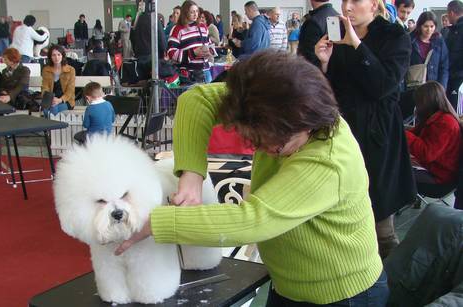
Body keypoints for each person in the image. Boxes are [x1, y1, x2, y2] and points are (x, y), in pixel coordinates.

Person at [114, 50, 388, 306]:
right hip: (288, 284)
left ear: (304, 123)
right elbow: (195, 99)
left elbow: (253, 220)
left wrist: (155, 223)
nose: (266, 151)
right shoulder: (268, 102)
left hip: (343, 294)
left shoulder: (327, 160)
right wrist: (191, 173)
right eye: (255, 141)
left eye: (277, 145)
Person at [315, 0, 416, 257]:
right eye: (344, 1)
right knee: (342, 217)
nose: (347, 7)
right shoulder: (337, 34)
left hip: (377, 136)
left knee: (380, 222)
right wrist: (324, 63)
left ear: (374, 5)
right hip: (343, 133)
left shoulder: (395, 36)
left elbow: (382, 86)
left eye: (355, 1)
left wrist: (357, 45)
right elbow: (328, 92)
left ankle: (392, 287)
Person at [405, 81, 461, 188]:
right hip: (434, 169)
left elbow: (427, 154)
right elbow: (415, 133)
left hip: (439, 177)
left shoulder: (445, 123)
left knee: (394, 173)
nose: (417, 106)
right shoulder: (437, 117)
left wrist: (404, 134)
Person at [167, 0, 216, 84]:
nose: (195, 14)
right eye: (192, 12)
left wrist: (210, 52)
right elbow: (171, 52)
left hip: (205, 71)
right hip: (188, 74)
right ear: (185, 13)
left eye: (197, 11)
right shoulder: (177, 29)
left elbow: (210, 44)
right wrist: (193, 53)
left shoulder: (203, 27)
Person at [410, 11, 449, 89]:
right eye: (426, 26)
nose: (429, 29)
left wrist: (442, 87)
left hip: (433, 88)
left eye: (432, 26)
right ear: (420, 26)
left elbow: (444, 67)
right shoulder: (411, 40)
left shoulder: (439, 41)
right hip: (414, 87)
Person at [298, 0, 339, 67]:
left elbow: (307, 58)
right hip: (334, 72)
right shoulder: (338, 16)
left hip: (315, 73)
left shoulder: (312, 22)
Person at [41, 45, 76, 117]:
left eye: (58, 55)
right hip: (51, 100)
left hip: (66, 100)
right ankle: (52, 127)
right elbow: (45, 87)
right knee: (46, 109)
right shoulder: (46, 70)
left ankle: (49, 128)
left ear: (62, 56)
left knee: (52, 109)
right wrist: (50, 99)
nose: (56, 57)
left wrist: (60, 100)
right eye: (53, 55)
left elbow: (70, 90)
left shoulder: (70, 70)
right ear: (50, 57)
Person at [445, 0, 463, 110]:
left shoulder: (458, 31)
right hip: (456, 75)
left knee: (454, 108)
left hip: (457, 77)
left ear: (451, 13)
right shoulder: (454, 29)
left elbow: (453, 55)